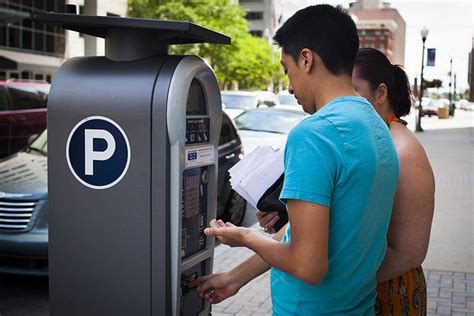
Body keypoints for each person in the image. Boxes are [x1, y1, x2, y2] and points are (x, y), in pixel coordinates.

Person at [191, 5, 400, 315]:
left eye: (286, 69)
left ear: (306, 59)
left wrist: (245, 236)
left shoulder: (314, 135)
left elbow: (307, 265)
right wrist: (235, 277)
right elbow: (314, 236)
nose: (288, 85)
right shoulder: (377, 126)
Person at [258, 48, 436, 315]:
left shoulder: (402, 149)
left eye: (351, 90)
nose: (340, 99)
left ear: (381, 94)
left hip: (384, 292)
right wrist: (236, 276)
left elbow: (410, 253)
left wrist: (344, 283)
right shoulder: (357, 138)